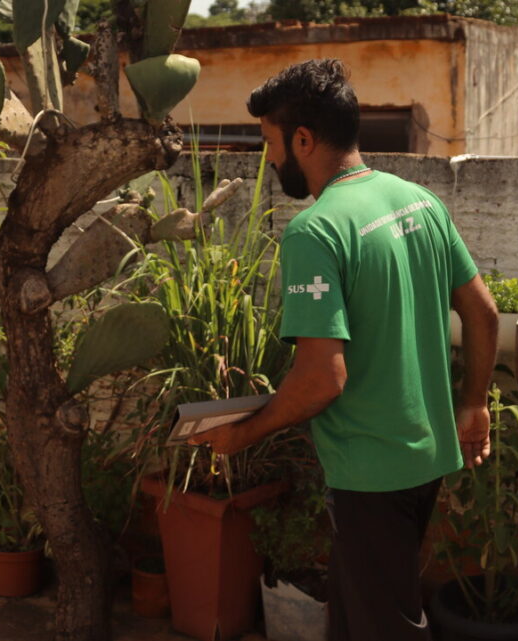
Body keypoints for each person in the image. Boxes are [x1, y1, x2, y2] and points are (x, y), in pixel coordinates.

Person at [190, 59, 499, 640]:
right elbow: (483, 312)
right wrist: (474, 403)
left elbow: (321, 380)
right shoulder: (418, 201)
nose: (269, 158)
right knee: (358, 616)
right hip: (426, 454)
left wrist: (242, 434)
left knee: (388, 626)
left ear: (303, 139)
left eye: (270, 142)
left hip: (372, 473)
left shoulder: (316, 230)